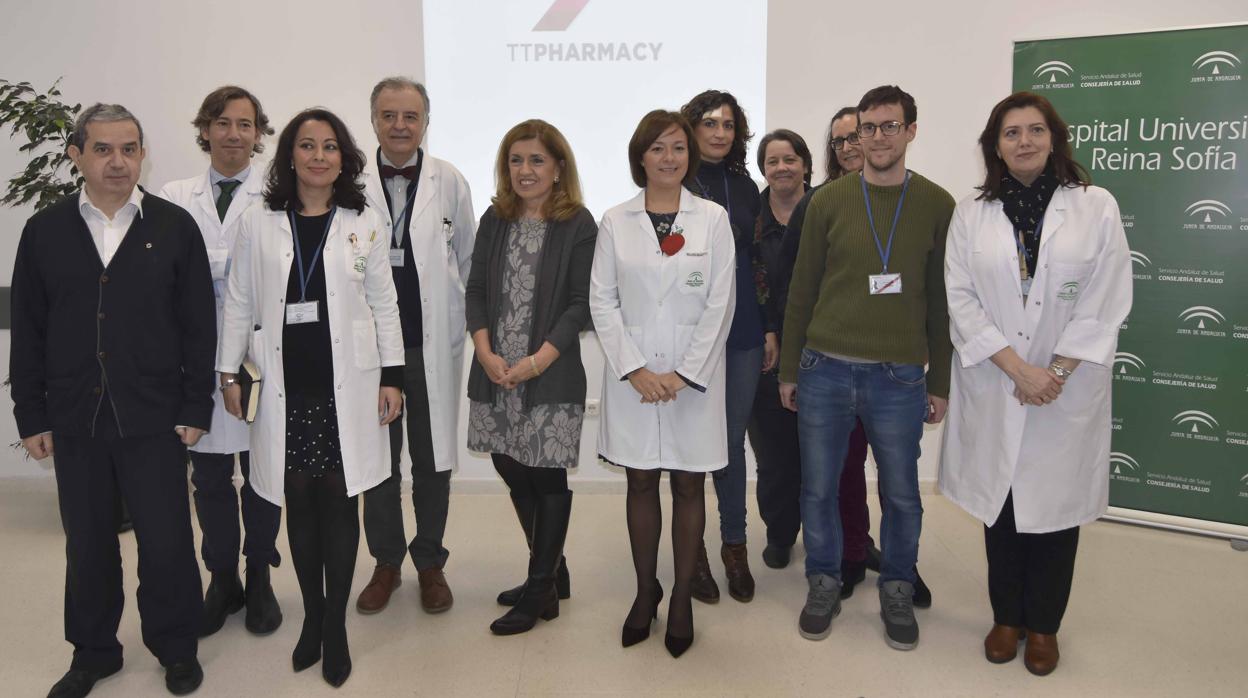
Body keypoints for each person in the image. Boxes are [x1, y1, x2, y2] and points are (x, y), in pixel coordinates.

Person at [11, 103, 214, 697]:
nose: (117, 161)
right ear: (76, 156)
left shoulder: (174, 227)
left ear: (142, 154)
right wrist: (32, 414)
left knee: (168, 541)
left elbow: (199, 328)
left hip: (153, 416)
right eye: (102, 149)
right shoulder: (45, 231)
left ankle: (176, 647)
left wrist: (194, 406)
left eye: (129, 148)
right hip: (76, 418)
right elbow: (30, 330)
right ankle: (94, 652)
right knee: (88, 543)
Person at [939, 91, 1132, 676]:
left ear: (1054, 138)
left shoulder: (1094, 206)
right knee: (1002, 507)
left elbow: (1106, 297)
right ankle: (1006, 616)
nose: (1024, 142)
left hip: (1064, 387)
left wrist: (1056, 372)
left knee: (1053, 512)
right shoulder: (973, 212)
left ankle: (1043, 626)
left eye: (1035, 130)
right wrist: (1018, 369)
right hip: (1002, 380)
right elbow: (962, 299)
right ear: (994, 145)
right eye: (1011, 133)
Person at [217, 108, 404, 688]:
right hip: (284, 388)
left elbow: (385, 303)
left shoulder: (365, 219)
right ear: (289, 155)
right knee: (296, 503)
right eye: (307, 145)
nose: (318, 156)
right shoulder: (258, 220)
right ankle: (313, 618)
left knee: (341, 502)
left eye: (329, 146)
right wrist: (227, 372)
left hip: (346, 384)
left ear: (343, 157)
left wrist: (392, 376)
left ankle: (338, 628)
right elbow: (240, 301)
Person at [779, 85, 954, 650]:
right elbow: (801, 291)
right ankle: (824, 580)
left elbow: (942, 301)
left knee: (902, 494)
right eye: (867, 129)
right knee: (820, 489)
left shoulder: (937, 203)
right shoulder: (827, 202)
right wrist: (788, 370)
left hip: (899, 376)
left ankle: (897, 587)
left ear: (910, 131)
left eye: (888, 126)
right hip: (824, 368)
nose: (877, 137)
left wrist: (941, 381)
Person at [591, 109, 736, 658]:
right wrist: (635, 369)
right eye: (657, 148)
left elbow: (721, 302)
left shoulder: (713, 219)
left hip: (690, 379)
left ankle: (680, 597)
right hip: (635, 379)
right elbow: (602, 300)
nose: (669, 158)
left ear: (689, 155)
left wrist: (682, 373)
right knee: (640, 482)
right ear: (640, 157)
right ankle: (644, 589)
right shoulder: (615, 220)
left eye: (678, 147)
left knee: (688, 485)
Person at [158, 85, 283, 638]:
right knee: (208, 477)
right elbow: (166, 273)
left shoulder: (276, 194)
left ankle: (260, 577)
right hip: (195, 359)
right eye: (223, 123)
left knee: (260, 476)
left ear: (259, 134)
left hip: (259, 356)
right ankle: (223, 578)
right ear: (204, 129)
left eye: (245, 124)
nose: (234, 134)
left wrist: (216, 267)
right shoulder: (172, 194)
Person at [464, 119, 597, 635]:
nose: (525, 170)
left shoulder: (578, 223)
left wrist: (538, 360)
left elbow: (580, 304)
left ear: (558, 167)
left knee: (546, 475)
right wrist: (486, 353)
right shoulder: (494, 219)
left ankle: (541, 587)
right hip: (496, 370)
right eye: (516, 160)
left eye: (536, 160)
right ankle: (552, 573)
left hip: (549, 372)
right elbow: (475, 289)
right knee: (509, 464)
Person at [356, 77, 475, 616]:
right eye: (389, 115)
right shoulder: (349, 182)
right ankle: (386, 562)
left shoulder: (449, 181)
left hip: (431, 349)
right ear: (374, 120)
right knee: (379, 462)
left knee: (431, 462)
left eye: (410, 115)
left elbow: (467, 261)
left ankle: (429, 561)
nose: (400, 125)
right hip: (375, 353)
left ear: (426, 120)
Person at [679, 90, 765, 604]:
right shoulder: (672, 184)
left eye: (728, 125)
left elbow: (757, 266)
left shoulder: (745, 187)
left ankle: (735, 546)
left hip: (742, 334)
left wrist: (770, 329)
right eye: (709, 122)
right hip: (687, 336)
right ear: (690, 128)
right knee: (693, 445)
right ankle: (693, 557)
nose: (719, 133)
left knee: (731, 445)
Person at [748, 128, 811, 572]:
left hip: (823, 350)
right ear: (763, 170)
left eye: (790, 159)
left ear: (806, 164)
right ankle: (780, 532)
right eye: (773, 161)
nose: (782, 167)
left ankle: (833, 536)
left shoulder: (827, 209)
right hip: (766, 354)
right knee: (773, 455)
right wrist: (766, 328)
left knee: (825, 456)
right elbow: (740, 284)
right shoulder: (748, 220)